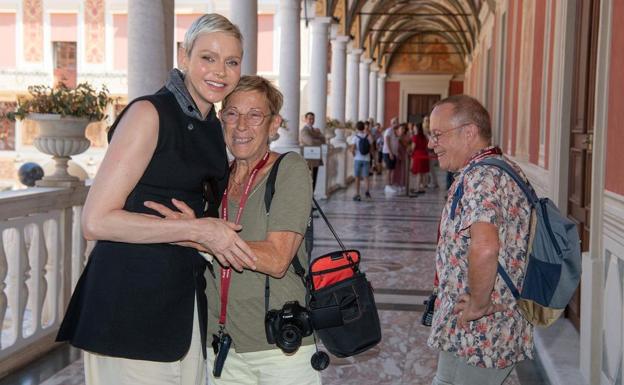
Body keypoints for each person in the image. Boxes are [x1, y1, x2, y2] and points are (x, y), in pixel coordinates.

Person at [56, 14, 255, 385]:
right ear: (184, 56)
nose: (220, 71)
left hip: (183, 306)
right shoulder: (149, 113)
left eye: (232, 61)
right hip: (129, 307)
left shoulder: (212, 127)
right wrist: (200, 230)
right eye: (208, 58)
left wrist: (198, 232)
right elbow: (96, 221)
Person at [148, 76, 320, 385]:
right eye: (231, 113)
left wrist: (201, 234)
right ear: (220, 121)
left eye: (254, 115)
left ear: (273, 124)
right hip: (221, 347)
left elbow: (277, 259)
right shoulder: (217, 179)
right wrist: (193, 231)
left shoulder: (289, 170)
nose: (241, 125)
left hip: (280, 348)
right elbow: (204, 245)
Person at [426, 95, 533, 385]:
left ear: (469, 132)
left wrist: (478, 304)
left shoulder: (482, 176)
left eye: (437, 134)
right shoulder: (493, 168)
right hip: (467, 324)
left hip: (484, 327)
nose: (430, 143)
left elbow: (485, 247)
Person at [299, 111, 325, 191]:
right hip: (308, 159)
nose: (311, 120)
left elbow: (323, 140)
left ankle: (311, 200)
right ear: (306, 119)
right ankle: (307, 201)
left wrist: (318, 136)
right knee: (308, 182)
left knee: (314, 181)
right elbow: (310, 142)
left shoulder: (315, 130)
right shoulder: (304, 130)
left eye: (312, 119)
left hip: (316, 158)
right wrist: (318, 138)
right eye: (309, 119)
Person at [349, 121, 372, 201]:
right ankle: (367, 192)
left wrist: (354, 155)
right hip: (367, 159)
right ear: (364, 127)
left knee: (357, 177)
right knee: (366, 176)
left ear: (356, 128)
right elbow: (371, 148)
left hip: (358, 159)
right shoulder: (368, 136)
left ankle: (357, 194)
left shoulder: (355, 137)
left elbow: (352, 149)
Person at [410, 123, 430, 194]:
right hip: (424, 154)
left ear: (417, 128)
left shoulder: (415, 137)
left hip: (418, 155)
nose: (413, 128)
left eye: (414, 127)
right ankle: (422, 187)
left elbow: (413, 147)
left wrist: (410, 152)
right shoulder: (424, 136)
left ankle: (417, 188)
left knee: (418, 173)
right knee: (422, 173)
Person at [382, 117, 399, 194]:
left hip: (393, 153)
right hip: (388, 153)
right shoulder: (389, 131)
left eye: (397, 122)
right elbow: (387, 141)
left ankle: (391, 184)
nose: (396, 123)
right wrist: (390, 152)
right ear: (391, 123)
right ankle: (387, 186)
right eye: (394, 122)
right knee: (389, 170)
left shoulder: (394, 131)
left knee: (392, 170)